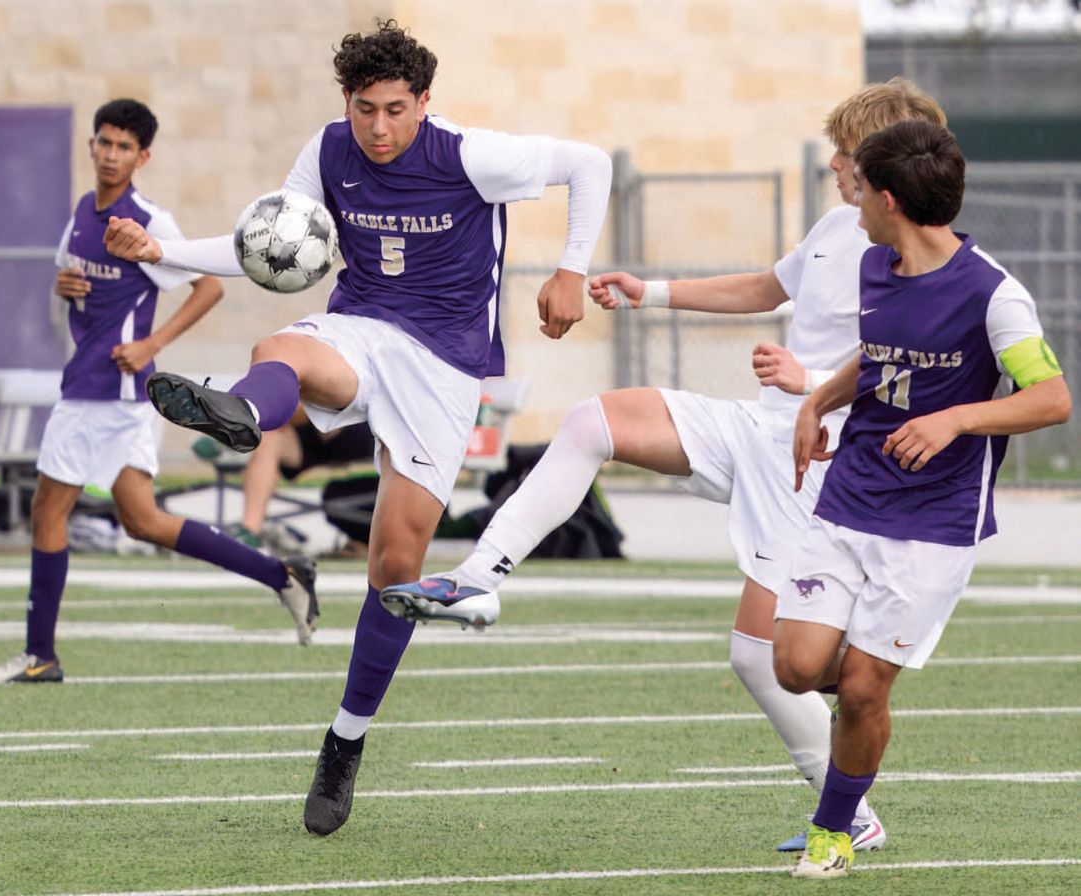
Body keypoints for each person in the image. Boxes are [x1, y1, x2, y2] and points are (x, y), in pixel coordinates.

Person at [383, 78, 947, 852]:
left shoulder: (911, 255)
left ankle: (851, 807)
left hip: (818, 461)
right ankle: (479, 579)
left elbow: (913, 367)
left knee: (758, 658)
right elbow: (766, 286)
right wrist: (649, 292)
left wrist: (812, 382)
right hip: (761, 428)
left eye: (846, 153)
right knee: (594, 422)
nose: (834, 165)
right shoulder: (836, 225)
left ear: (887, 164)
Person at [101, 21, 612, 836]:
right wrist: (165, 250)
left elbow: (590, 163)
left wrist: (571, 269)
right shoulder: (329, 150)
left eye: (395, 110)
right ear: (346, 101)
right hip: (361, 328)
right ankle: (243, 411)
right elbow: (266, 245)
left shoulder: (469, 155)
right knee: (280, 349)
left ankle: (344, 742)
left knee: (394, 569)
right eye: (364, 108)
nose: (378, 127)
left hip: (444, 364)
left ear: (424, 102)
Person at [776, 119, 1070, 879]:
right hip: (852, 494)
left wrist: (956, 418)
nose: (852, 201)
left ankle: (835, 830)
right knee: (796, 667)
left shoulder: (994, 295)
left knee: (861, 687)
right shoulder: (876, 267)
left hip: (935, 523)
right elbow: (880, 356)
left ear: (891, 200)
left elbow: (1052, 398)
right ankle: (869, 685)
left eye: (860, 188)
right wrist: (818, 401)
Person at [0, 99, 320, 685]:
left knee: (48, 510)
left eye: (124, 147)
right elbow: (77, 282)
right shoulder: (82, 212)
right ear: (92, 145)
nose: (112, 155)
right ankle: (281, 575)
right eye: (105, 143)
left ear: (143, 157)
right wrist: (63, 286)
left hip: (107, 391)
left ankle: (39, 656)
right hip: (96, 386)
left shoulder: (148, 220)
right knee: (143, 521)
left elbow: (209, 288)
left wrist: (150, 344)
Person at [211, 408, 374, 550]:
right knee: (268, 437)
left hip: (366, 423)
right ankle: (249, 532)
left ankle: (235, 435)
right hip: (311, 431)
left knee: (302, 407)